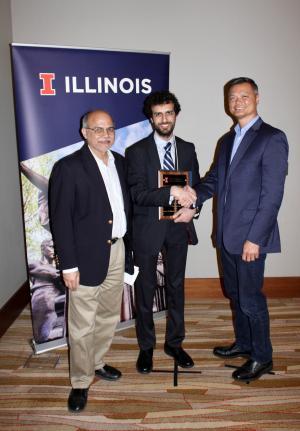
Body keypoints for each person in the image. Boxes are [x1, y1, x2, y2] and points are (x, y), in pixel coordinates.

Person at [179, 77, 288, 382]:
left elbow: (272, 196)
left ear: (257, 97)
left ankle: (262, 357)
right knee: (235, 293)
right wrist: (193, 197)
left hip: (250, 238)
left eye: (243, 96)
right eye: (232, 97)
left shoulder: (272, 138)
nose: (237, 101)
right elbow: (213, 180)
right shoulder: (227, 140)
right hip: (226, 235)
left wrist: (256, 238)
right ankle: (243, 343)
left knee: (251, 298)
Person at [49, 110, 133, 412]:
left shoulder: (120, 163)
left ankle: (97, 362)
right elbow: (61, 220)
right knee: (82, 324)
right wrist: (68, 265)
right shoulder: (68, 167)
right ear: (84, 132)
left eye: (110, 128)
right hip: (84, 258)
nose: (106, 134)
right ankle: (80, 382)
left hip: (118, 251)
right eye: (98, 129)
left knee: (109, 316)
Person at [125, 90, 200, 374]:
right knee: (144, 290)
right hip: (147, 229)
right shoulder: (136, 152)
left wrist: (194, 207)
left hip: (179, 227)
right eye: (158, 114)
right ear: (151, 118)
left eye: (169, 113)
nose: (164, 119)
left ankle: (174, 343)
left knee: (176, 287)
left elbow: (196, 190)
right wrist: (171, 191)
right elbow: (138, 194)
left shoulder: (188, 148)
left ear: (176, 114)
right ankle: (146, 347)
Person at [29, 238, 65, 343]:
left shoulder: (59, 266)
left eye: (55, 247)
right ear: (42, 248)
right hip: (43, 296)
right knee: (43, 331)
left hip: (59, 298)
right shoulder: (35, 264)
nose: (54, 249)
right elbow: (50, 273)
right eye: (51, 246)